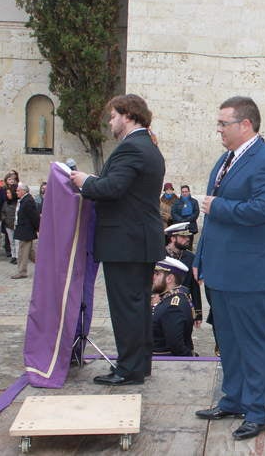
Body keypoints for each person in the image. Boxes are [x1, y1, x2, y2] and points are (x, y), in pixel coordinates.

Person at [193, 96, 265, 442]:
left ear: (245, 125)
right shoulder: (227, 158)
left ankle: (257, 411)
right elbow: (211, 219)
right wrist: (200, 258)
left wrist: (219, 206)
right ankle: (232, 399)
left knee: (254, 343)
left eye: (223, 123)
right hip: (221, 270)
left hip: (250, 273)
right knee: (228, 341)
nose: (218, 129)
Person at [70, 93, 166, 386]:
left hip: (126, 242)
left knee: (127, 308)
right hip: (137, 240)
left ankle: (129, 369)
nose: (110, 122)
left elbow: (113, 188)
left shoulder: (132, 148)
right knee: (136, 307)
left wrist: (84, 180)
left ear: (127, 115)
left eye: (113, 116)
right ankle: (139, 364)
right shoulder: (146, 146)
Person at [151, 257, 195, 357]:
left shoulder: (172, 307)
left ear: (169, 278)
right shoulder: (172, 298)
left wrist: (191, 358)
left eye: (157, 274)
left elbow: (176, 346)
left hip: (163, 362)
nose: (153, 277)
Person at [164, 222, 202, 326]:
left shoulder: (191, 257)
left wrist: (198, 313)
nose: (188, 239)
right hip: (161, 306)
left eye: (188, 236)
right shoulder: (160, 255)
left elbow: (195, 286)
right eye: (183, 237)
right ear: (172, 238)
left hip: (183, 306)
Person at [12, 183, 40, 280]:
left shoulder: (28, 201)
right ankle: (44, 265)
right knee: (30, 252)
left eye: (18, 190)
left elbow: (34, 216)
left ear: (23, 191)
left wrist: (38, 228)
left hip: (26, 230)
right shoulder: (23, 200)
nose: (16, 192)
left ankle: (22, 271)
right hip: (23, 229)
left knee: (23, 252)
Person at [0, 186, 18, 264]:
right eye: (7, 193)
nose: (7, 194)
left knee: (17, 242)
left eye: (9, 193)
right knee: (11, 241)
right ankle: (13, 255)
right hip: (8, 224)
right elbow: (2, 212)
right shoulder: (6, 202)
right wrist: (4, 219)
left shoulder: (18, 202)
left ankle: (18, 256)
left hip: (16, 224)